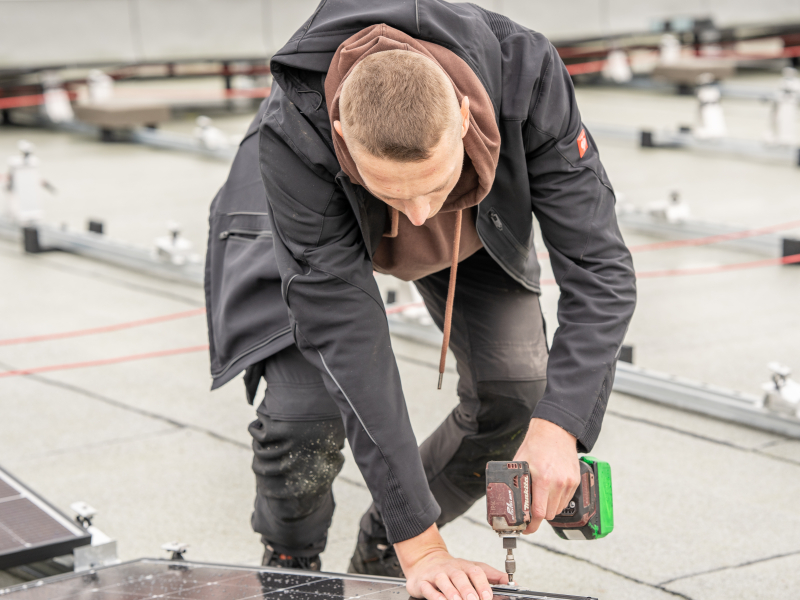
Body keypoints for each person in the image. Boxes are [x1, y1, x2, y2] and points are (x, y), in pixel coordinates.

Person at [204, 2, 636, 599]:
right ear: (341, 138)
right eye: (395, 196)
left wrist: (561, 425)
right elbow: (346, 335)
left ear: (464, 117)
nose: (417, 216)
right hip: (314, 209)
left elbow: (599, 266)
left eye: (432, 187)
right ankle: (292, 560)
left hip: (474, 214)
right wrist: (426, 545)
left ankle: (383, 549)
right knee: (304, 418)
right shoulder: (296, 132)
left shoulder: (527, 76)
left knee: (516, 390)